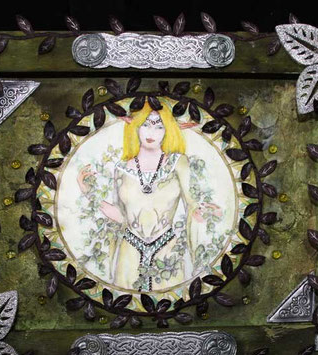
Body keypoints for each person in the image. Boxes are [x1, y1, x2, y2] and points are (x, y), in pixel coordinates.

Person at [77, 98, 222, 292]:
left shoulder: (179, 163)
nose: (151, 132)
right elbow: (121, 217)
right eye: (146, 125)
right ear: (136, 127)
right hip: (128, 252)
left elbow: (193, 202)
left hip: (168, 253)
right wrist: (89, 193)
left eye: (159, 126)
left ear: (168, 129)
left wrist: (203, 212)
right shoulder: (121, 168)